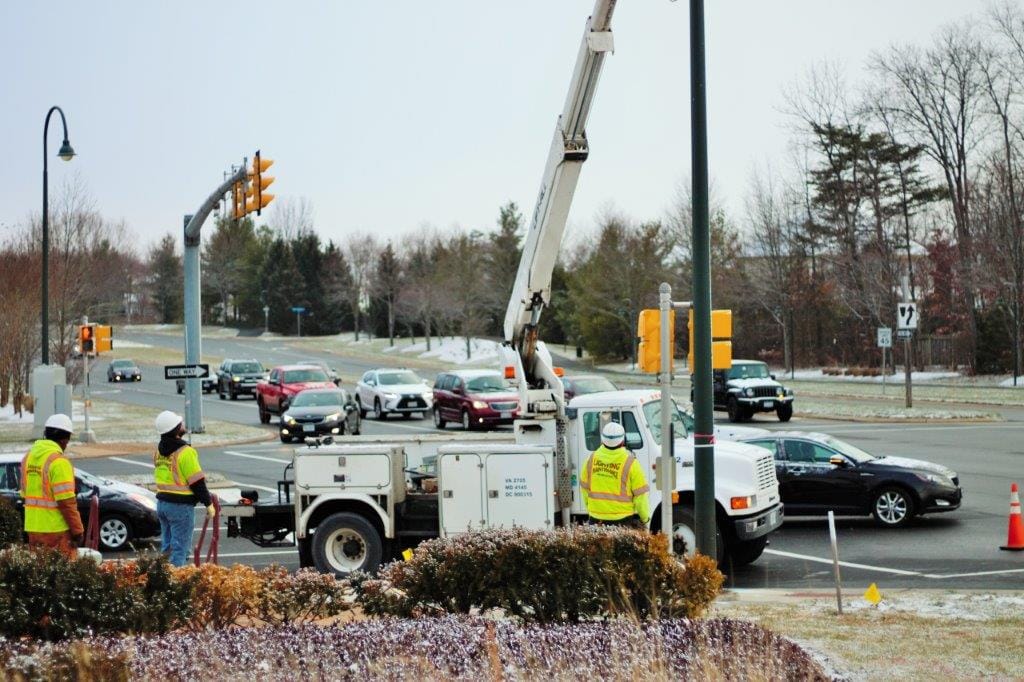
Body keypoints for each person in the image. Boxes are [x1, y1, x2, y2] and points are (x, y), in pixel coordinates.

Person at [153, 410, 214, 566]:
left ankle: (163, 577)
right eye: (180, 423)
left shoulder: (159, 451)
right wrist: (208, 504)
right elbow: (197, 482)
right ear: (176, 429)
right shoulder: (185, 452)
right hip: (180, 507)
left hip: (162, 504)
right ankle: (174, 584)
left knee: (167, 549)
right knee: (179, 550)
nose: (183, 425)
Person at [20, 414, 84, 558]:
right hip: (56, 530)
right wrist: (77, 530)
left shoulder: (28, 458)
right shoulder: (59, 462)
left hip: (33, 528)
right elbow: (66, 503)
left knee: (40, 574)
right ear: (64, 439)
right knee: (62, 575)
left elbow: (25, 494)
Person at [580, 421, 651, 528]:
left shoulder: (591, 460)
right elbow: (640, 496)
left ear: (602, 439)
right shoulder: (631, 462)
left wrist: (590, 509)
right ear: (622, 441)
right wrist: (645, 519)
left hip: (595, 519)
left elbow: (584, 489)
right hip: (623, 520)